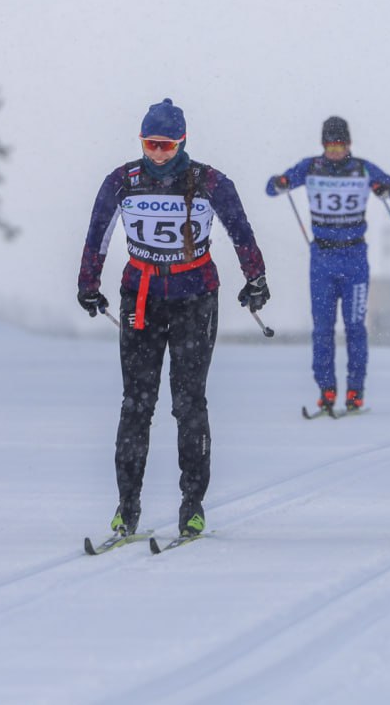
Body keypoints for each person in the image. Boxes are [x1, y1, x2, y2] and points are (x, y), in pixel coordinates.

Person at [77, 98, 269, 540]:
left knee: (188, 404)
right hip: (140, 298)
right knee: (135, 405)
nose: (158, 154)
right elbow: (97, 234)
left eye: (166, 145)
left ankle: (192, 504)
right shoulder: (122, 181)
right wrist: (88, 282)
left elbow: (241, 232)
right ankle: (127, 505)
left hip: (195, 298)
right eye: (150, 144)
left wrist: (255, 278)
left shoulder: (209, 181)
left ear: (182, 141)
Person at [266, 116, 390, 415]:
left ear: (348, 144)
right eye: (330, 145)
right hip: (322, 259)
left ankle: (355, 392)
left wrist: (386, 188)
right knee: (322, 328)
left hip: (355, 258)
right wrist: (280, 182)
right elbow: (271, 188)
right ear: (323, 145)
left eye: (340, 145)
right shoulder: (310, 167)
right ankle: (326, 390)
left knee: (355, 327)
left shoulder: (363, 169)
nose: (334, 151)